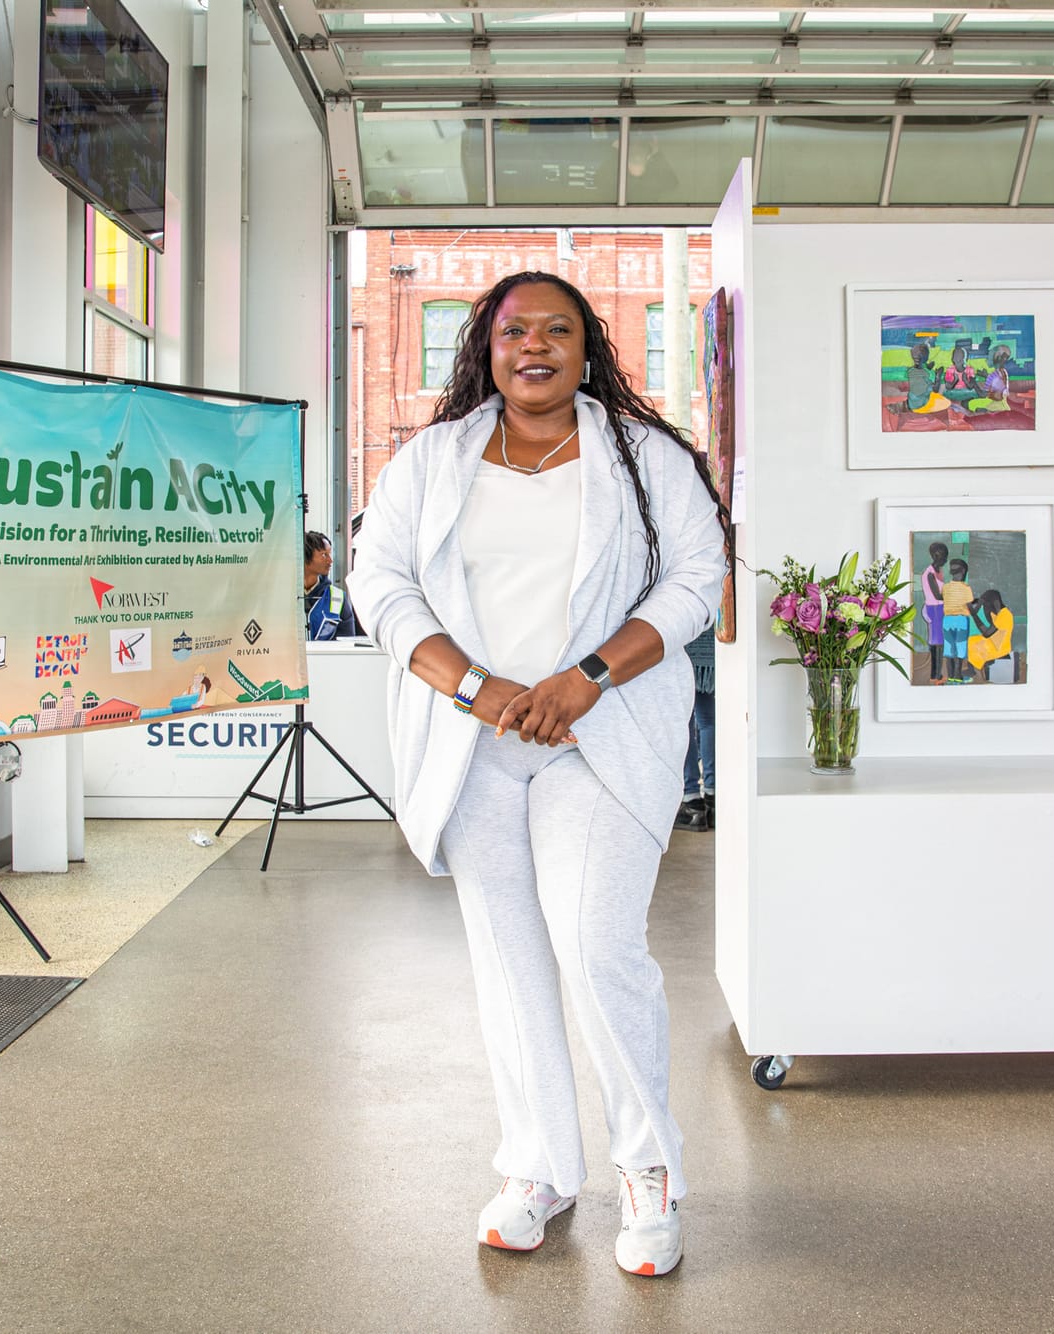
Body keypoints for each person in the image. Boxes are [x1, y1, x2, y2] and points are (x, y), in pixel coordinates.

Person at [348, 270, 727, 1279]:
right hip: (473, 742)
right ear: (487, 344)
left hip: (595, 734)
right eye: (517, 329)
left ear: (586, 347)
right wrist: (471, 687)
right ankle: (538, 1169)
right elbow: (375, 580)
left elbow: (700, 575)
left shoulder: (644, 457)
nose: (536, 346)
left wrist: (586, 677)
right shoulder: (432, 459)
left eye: (558, 329)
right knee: (506, 962)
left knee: (598, 947)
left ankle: (647, 1171)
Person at [677, 627, 716, 831]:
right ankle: (713, 796)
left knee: (684, 722)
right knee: (708, 720)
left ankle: (691, 800)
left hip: (686, 645)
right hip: (711, 644)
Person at [303, 530, 360, 640]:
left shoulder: (338, 598)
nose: (330, 560)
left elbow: (347, 644)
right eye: (324, 555)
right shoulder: (285, 595)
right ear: (305, 557)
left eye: (329, 554)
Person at [966, 589, 1015, 681]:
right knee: (971, 640)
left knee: (974, 644)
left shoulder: (1005, 615)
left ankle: (974, 668)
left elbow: (987, 634)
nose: (986, 607)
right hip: (994, 641)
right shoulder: (998, 613)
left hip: (1000, 646)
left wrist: (974, 615)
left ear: (995, 602)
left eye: (987, 604)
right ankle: (973, 667)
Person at [941, 557, 974, 682]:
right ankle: (958, 676)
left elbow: (944, 600)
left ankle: (950, 676)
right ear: (964, 571)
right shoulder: (967, 588)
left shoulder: (945, 587)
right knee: (960, 648)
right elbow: (969, 605)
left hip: (947, 620)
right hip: (961, 620)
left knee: (949, 649)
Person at [922, 542, 949, 682]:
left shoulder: (939, 571)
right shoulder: (929, 573)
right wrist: (952, 596)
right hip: (934, 609)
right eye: (943, 556)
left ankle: (935, 674)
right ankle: (936, 675)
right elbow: (937, 595)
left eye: (946, 556)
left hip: (940, 608)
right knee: (937, 642)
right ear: (935, 555)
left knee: (939, 640)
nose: (945, 559)